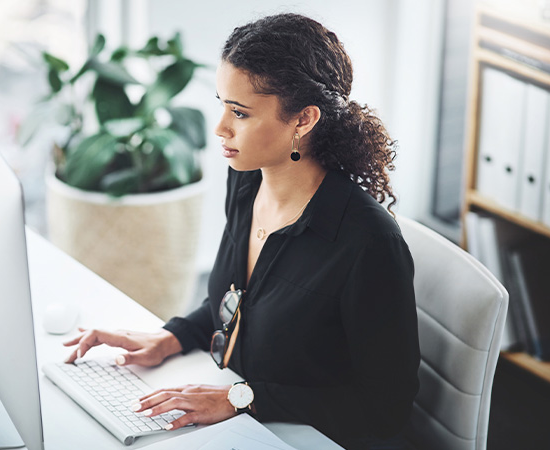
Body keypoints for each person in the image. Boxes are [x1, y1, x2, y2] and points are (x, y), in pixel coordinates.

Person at [63, 13, 420, 449]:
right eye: (223, 104)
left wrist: (242, 398)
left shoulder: (367, 243)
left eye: (240, 112)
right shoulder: (248, 178)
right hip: (245, 421)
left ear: (304, 120)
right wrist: (173, 336)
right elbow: (238, 298)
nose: (220, 127)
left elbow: (385, 409)